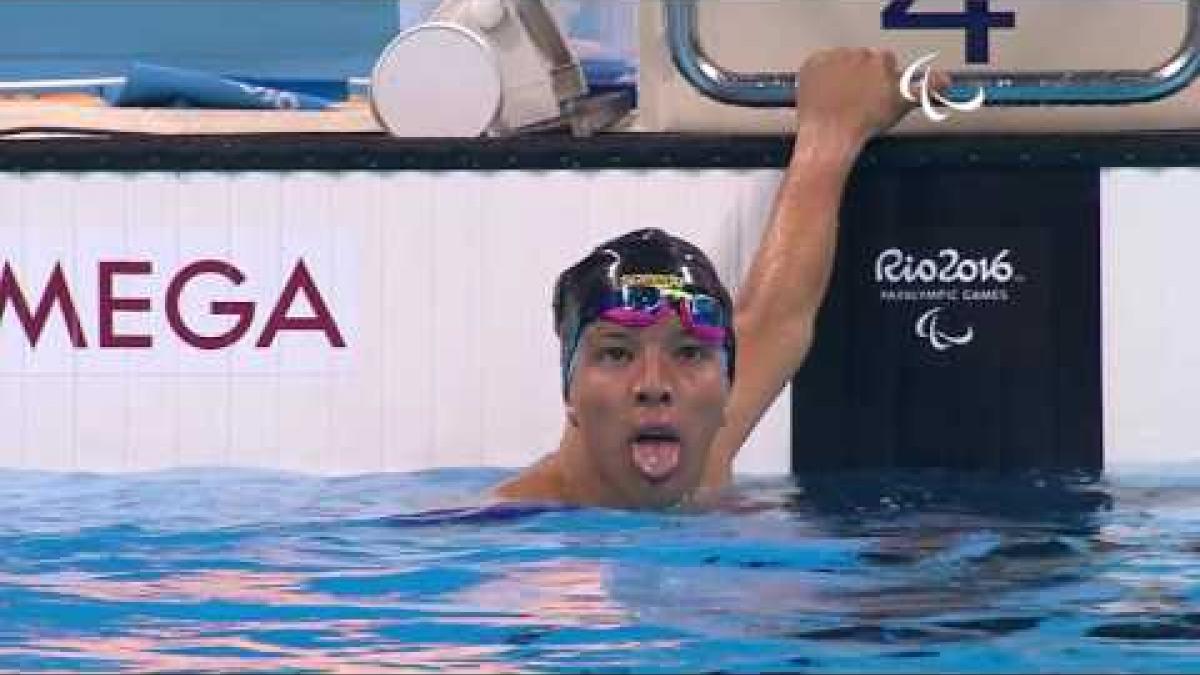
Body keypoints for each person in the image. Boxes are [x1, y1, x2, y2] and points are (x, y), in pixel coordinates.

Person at [494, 48, 934, 509]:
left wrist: (831, 132)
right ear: (569, 387)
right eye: (616, 353)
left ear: (726, 390)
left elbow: (777, 315)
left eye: (689, 351)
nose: (654, 384)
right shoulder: (510, 539)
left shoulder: (701, 461)